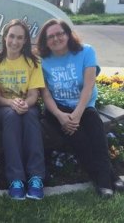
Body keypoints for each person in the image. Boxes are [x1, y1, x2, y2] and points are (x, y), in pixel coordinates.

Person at [37, 18, 124, 198]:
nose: (56, 39)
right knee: (80, 141)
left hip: (84, 106)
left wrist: (77, 114)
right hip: (57, 109)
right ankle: (107, 181)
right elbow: (45, 94)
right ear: (45, 41)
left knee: (97, 134)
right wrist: (61, 116)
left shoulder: (86, 51)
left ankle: (105, 182)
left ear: (68, 34)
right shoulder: (42, 61)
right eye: (50, 36)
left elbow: (89, 85)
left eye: (60, 33)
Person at [0, 19, 45, 200]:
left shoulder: (32, 62)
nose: (15, 41)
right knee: (11, 116)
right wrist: (12, 103)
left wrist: (24, 104)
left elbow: (33, 95)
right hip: (3, 109)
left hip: (27, 107)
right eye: (11, 36)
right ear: (5, 37)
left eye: (20, 38)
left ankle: (36, 178)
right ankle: (16, 180)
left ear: (25, 41)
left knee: (29, 116)